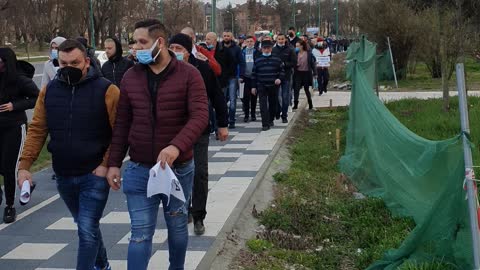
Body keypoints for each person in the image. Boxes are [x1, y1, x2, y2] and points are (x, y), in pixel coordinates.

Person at [106, 19, 208, 270]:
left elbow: (200, 116)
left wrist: (176, 146)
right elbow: (122, 123)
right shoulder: (131, 77)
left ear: (159, 42)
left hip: (178, 168)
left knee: (176, 226)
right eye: (134, 42)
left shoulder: (189, 74)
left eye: (142, 42)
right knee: (139, 233)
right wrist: (114, 163)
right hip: (140, 168)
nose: (136, 48)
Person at [17, 39, 119, 270]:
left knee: (86, 229)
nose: (68, 67)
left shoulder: (107, 90)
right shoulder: (49, 90)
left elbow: (120, 132)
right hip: (63, 174)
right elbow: (38, 129)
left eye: (74, 62)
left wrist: (106, 163)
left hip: (94, 174)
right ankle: (103, 265)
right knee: (87, 227)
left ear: (86, 61)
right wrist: (25, 166)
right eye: (63, 63)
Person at [169, 33, 228, 235]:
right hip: (174, 132)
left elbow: (217, 95)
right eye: (172, 48)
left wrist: (223, 124)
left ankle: (198, 215)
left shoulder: (202, 68)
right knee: (176, 173)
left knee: (199, 173)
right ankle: (182, 209)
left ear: (189, 50)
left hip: (199, 130)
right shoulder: (165, 70)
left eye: (179, 48)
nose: (175, 52)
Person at [0, 48, 39, 223]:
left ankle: (10, 205)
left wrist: (14, 105)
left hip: (14, 127)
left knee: (10, 167)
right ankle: (26, 184)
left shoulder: (20, 79)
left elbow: (37, 98)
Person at [251, 40, 285, 131]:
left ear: (271, 49)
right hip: (261, 85)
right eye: (264, 48)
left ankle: (270, 119)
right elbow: (254, 74)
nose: (266, 50)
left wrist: (279, 78)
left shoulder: (277, 59)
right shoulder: (258, 60)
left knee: (273, 103)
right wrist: (253, 86)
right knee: (263, 105)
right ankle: (265, 123)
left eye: (268, 48)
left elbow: (282, 71)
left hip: (273, 85)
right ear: (262, 49)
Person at [272, 34, 296, 123]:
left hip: (286, 76)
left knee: (285, 97)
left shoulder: (290, 50)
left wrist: (285, 64)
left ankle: (284, 115)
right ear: (277, 40)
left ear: (285, 40)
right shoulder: (273, 50)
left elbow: (294, 62)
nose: (281, 40)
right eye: (279, 39)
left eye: (282, 39)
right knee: (276, 96)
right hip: (276, 76)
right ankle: (278, 110)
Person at [221, 31, 242, 129]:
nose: (226, 37)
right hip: (222, 77)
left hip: (233, 77)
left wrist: (241, 75)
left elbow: (241, 62)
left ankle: (232, 120)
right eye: (224, 36)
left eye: (228, 36)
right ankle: (224, 119)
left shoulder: (236, 49)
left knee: (233, 100)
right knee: (223, 100)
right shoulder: (219, 48)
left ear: (231, 37)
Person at [239, 36, 260, 123]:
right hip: (245, 77)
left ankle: (253, 114)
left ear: (254, 42)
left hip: (254, 77)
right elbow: (240, 64)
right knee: (245, 97)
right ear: (245, 42)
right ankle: (246, 115)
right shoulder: (242, 51)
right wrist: (240, 75)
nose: (249, 43)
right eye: (248, 41)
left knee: (254, 96)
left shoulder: (257, 52)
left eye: (251, 41)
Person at [293, 40, 315, 110]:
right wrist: (295, 65)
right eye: (295, 46)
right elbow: (293, 63)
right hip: (298, 73)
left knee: (306, 89)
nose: (296, 47)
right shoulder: (295, 54)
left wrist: (315, 73)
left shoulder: (308, 53)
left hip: (306, 73)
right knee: (296, 89)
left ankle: (310, 103)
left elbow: (312, 63)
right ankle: (295, 104)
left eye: (298, 46)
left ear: (302, 46)